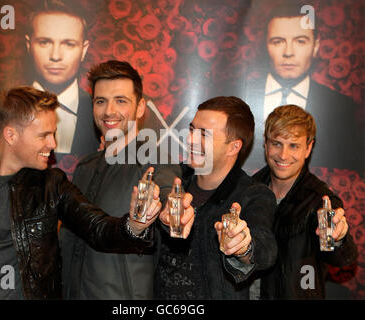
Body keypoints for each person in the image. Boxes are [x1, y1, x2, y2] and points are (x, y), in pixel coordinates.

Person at [0, 86, 162, 300]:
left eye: (53, 134)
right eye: (44, 135)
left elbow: (97, 228)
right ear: (10, 135)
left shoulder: (51, 185)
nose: (52, 144)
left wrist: (135, 226)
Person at [59, 60, 189, 299]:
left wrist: (170, 216)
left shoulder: (156, 162)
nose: (109, 111)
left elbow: (166, 196)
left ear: (140, 108)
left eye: (121, 101)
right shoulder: (84, 168)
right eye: (101, 101)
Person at [154, 96, 277, 300]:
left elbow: (265, 247)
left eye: (204, 134)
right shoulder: (175, 182)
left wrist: (243, 246)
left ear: (233, 147)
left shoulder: (253, 195)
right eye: (192, 129)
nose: (191, 139)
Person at [242, 3, 363, 173]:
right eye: (278, 41)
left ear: (316, 46)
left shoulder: (341, 106)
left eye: (300, 41)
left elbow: (349, 167)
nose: (289, 52)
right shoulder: (241, 95)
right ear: (266, 46)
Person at [253, 104, 358, 299]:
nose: (283, 155)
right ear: (266, 144)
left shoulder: (320, 200)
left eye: (294, 145)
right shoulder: (250, 189)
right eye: (277, 143)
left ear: (308, 148)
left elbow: (344, 258)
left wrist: (339, 239)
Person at [25, 0, 99, 166]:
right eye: (44, 42)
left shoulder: (99, 113)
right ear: (29, 45)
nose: (56, 55)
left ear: (84, 50)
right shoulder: (3, 108)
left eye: (68, 44)